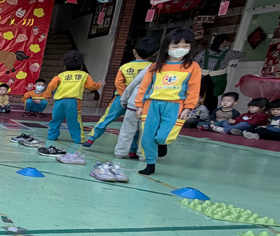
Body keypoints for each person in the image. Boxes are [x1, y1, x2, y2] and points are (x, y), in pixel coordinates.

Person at [133, 28, 200, 175]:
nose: (180, 49)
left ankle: (162, 144)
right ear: (166, 47)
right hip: (152, 105)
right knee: (147, 138)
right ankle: (150, 164)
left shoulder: (192, 67)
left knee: (163, 136)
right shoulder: (155, 66)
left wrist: (188, 108)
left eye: (185, 46)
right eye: (175, 46)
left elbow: (194, 89)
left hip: (175, 106)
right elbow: (144, 87)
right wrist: (139, 105)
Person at [83, 35, 158, 147]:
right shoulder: (154, 68)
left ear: (134, 52)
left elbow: (118, 83)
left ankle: (91, 139)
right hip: (140, 102)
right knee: (135, 125)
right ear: (155, 53)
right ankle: (132, 150)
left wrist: (125, 96)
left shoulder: (125, 67)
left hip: (120, 99)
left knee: (107, 118)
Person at [37, 50, 102, 156]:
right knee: (74, 121)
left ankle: (51, 136)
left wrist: (47, 96)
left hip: (59, 101)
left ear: (65, 65)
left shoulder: (61, 75)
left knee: (55, 120)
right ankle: (78, 139)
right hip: (74, 101)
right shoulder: (84, 75)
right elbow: (91, 86)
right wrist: (99, 84)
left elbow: (51, 85)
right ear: (81, 65)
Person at [194, 33, 246, 98]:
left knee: (200, 94)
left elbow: (195, 61)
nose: (229, 43)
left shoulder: (204, 52)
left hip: (203, 77)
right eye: (228, 41)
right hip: (218, 78)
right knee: (213, 97)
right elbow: (241, 55)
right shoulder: (228, 53)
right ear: (224, 41)